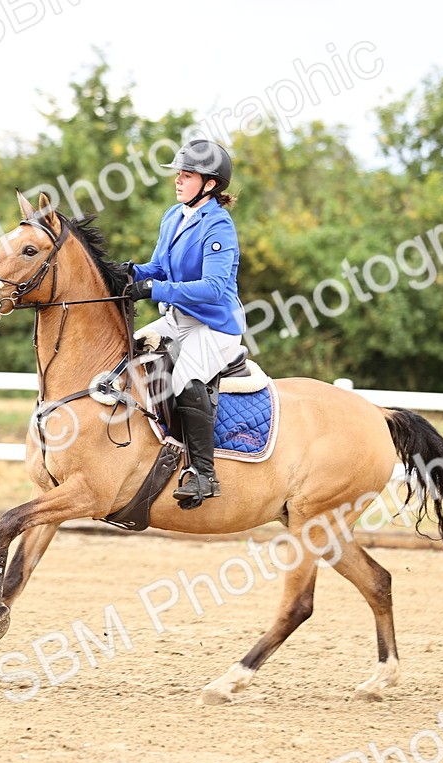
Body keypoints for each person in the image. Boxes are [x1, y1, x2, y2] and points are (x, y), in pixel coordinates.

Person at [124, 139, 246, 508]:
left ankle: (204, 475)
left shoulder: (219, 228)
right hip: (175, 321)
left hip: (214, 326)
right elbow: (158, 268)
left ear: (209, 184)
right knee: (124, 351)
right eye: (178, 173)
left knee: (183, 380)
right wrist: (125, 273)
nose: (178, 180)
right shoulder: (174, 215)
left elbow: (212, 288)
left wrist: (154, 288)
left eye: (187, 175)